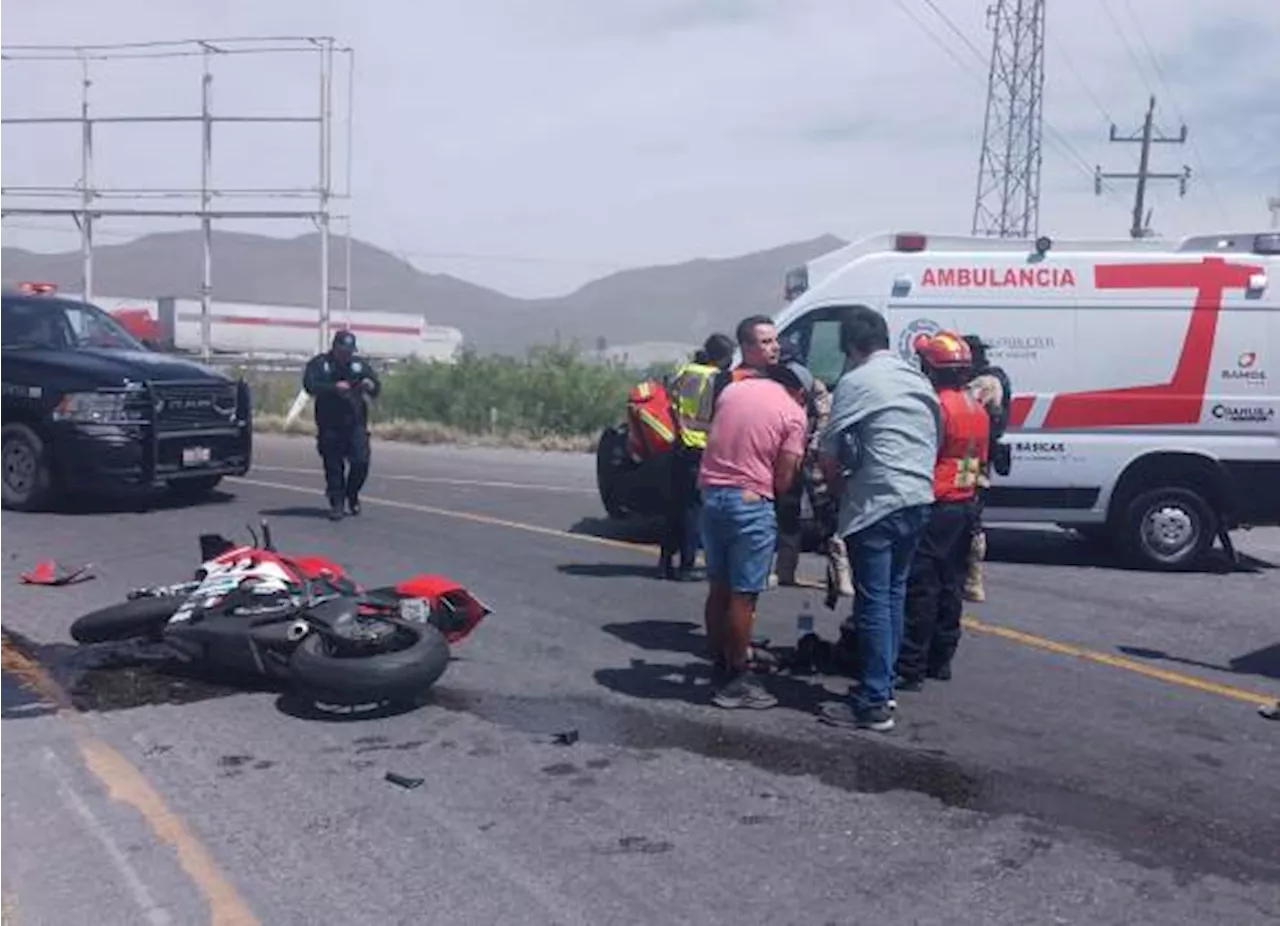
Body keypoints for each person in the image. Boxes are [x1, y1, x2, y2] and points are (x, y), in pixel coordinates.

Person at [816, 306, 940, 733]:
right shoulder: (917, 379)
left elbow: (828, 452)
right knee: (893, 597)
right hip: (918, 498)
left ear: (850, 347)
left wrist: (838, 492)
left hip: (878, 502)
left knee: (872, 602)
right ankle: (882, 688)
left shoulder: (856, 381)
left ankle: (872, 702)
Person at [698, 349, 810, 710]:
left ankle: (719, 661)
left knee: (719, 587)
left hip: (712, 496)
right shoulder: (793, 413)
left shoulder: (733, 391)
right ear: (799, 391)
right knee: (744, 595)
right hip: (749, 503)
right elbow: (784, 476)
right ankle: (737, 678)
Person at [895, 331, 990, 690]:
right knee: (951, 583)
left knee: (922, 585)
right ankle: (941, 658)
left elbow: (922, 454)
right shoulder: (975, 408)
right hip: (965, 502)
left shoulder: (934, 408)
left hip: (936, 503)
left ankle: (911, 664)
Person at [661, 333, 736, 580]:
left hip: (680, 444)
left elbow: (670, 401)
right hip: (703, 448)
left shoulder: (686, 371)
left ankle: (665, 561)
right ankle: (687, 564)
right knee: (694, 510)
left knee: (675, 506)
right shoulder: (720, 379)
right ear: (723, 357)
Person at [302, 330, 382, 521]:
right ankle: (337, 503)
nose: (346, 354)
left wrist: (370, 385)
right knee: (334, 466)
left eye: (350, 350)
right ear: (335, 347)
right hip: (329, 423)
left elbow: (376, 387)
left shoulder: (358, 365)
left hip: (355, 423)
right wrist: (333, 388)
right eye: (343, 350)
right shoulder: (320, 364)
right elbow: (309, 385)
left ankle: (351, 493)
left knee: (361, 461)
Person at [961, 335, 1012, 602]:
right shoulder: (990, 378)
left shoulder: (985, 382)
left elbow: (964, 409)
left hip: (971, 459)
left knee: (968, 515)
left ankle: (972, 578)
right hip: (974, 456)